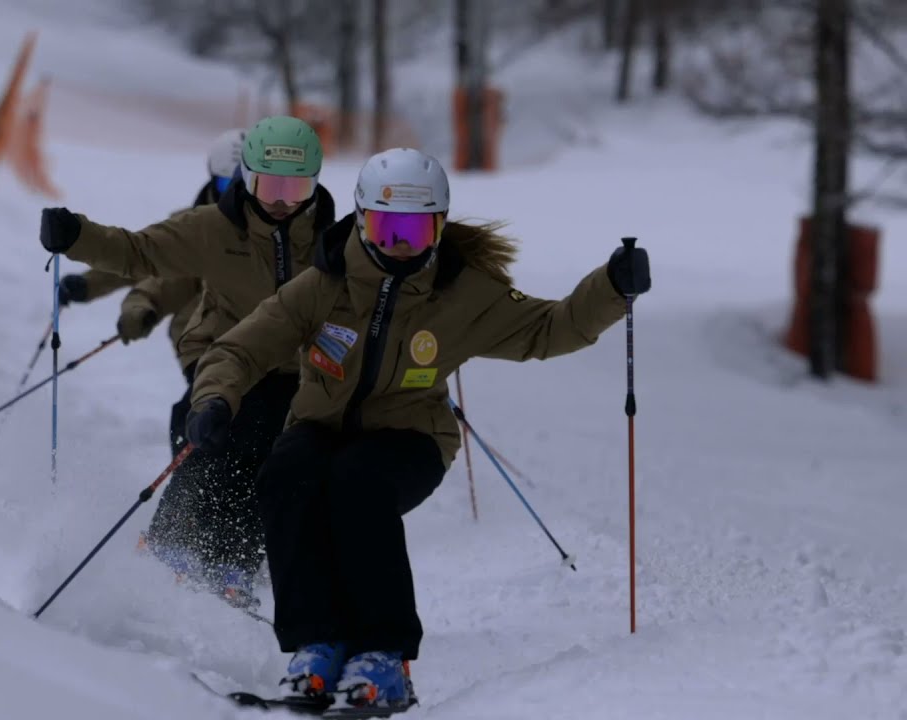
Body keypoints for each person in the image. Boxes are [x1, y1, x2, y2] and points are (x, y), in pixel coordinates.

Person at [182, 147, 652, 712]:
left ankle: (384, 656)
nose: (399, 242)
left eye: (415, 227)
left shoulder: (464, 292)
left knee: (358, 485)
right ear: (361, 219)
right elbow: (241, 347)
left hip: (411, 437)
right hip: (320, 425)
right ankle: (317, 643)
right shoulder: (323, 283)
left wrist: (610, 288)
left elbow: (549, 330)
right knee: (287, 474)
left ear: (438, 225)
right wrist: (213, 399)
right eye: (386, 225)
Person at [39, 116, 337, 609]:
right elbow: (141, 255)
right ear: (247, 179)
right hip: (226, 357)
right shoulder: (212, 227)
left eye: (296, 187)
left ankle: (231, 564)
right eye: (267, 185)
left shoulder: (334, 239)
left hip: (297, 371)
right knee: (212, 429)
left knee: (279, 452)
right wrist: (76, 237)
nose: (281, 201)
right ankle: (171, 544)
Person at [59, 129, 245, 456]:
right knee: (196, 414)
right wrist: (100, 290)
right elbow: (144, 259)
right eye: (226, 186)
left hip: (259, 347)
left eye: (243, 187)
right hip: (202, 341)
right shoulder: (193, 226)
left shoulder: (270, 233)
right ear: (212, 180)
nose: (235, 196)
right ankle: (192, 488)